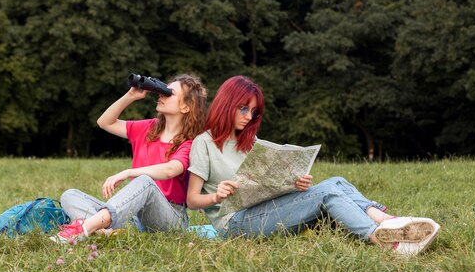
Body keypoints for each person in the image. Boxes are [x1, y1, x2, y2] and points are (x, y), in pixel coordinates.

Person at [186, 76, 440, 255]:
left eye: (254, 112)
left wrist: (294, 183)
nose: (248, 117)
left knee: (336, 181)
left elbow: (265, 186)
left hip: (263, 210)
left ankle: (389, 220)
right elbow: (192, 200)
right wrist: (216, 195)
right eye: (243, 108)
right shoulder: (204, 143)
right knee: (327, 193)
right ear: (226, 103)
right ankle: (384, 240)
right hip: (234, 223)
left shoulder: (252, 143)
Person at [52, 74, 207, 243]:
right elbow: (105, 122)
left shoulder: (190, 142)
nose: (161, 95)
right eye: (162, 90)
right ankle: (104, 231)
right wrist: (130, 96)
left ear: (186, 107)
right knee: (70, 195)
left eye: (169, 93)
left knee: (145, 182)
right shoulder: (149, 128)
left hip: (170, 219)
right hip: (137, 217)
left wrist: (128, 172)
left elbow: (171, 169)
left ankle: (85, 228)